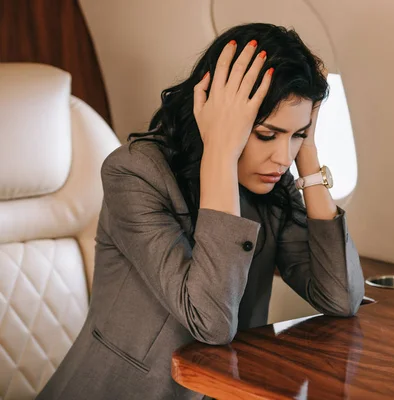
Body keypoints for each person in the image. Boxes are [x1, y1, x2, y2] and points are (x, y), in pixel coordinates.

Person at [37, 22, 365, 400]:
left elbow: (340, 297)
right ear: (216, 117)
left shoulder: (272, 180)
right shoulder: (135, 173)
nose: (281, 157)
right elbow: (209, 321)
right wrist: (220, 156)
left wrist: (308, 154)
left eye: (296, 135)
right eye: (266, 134)